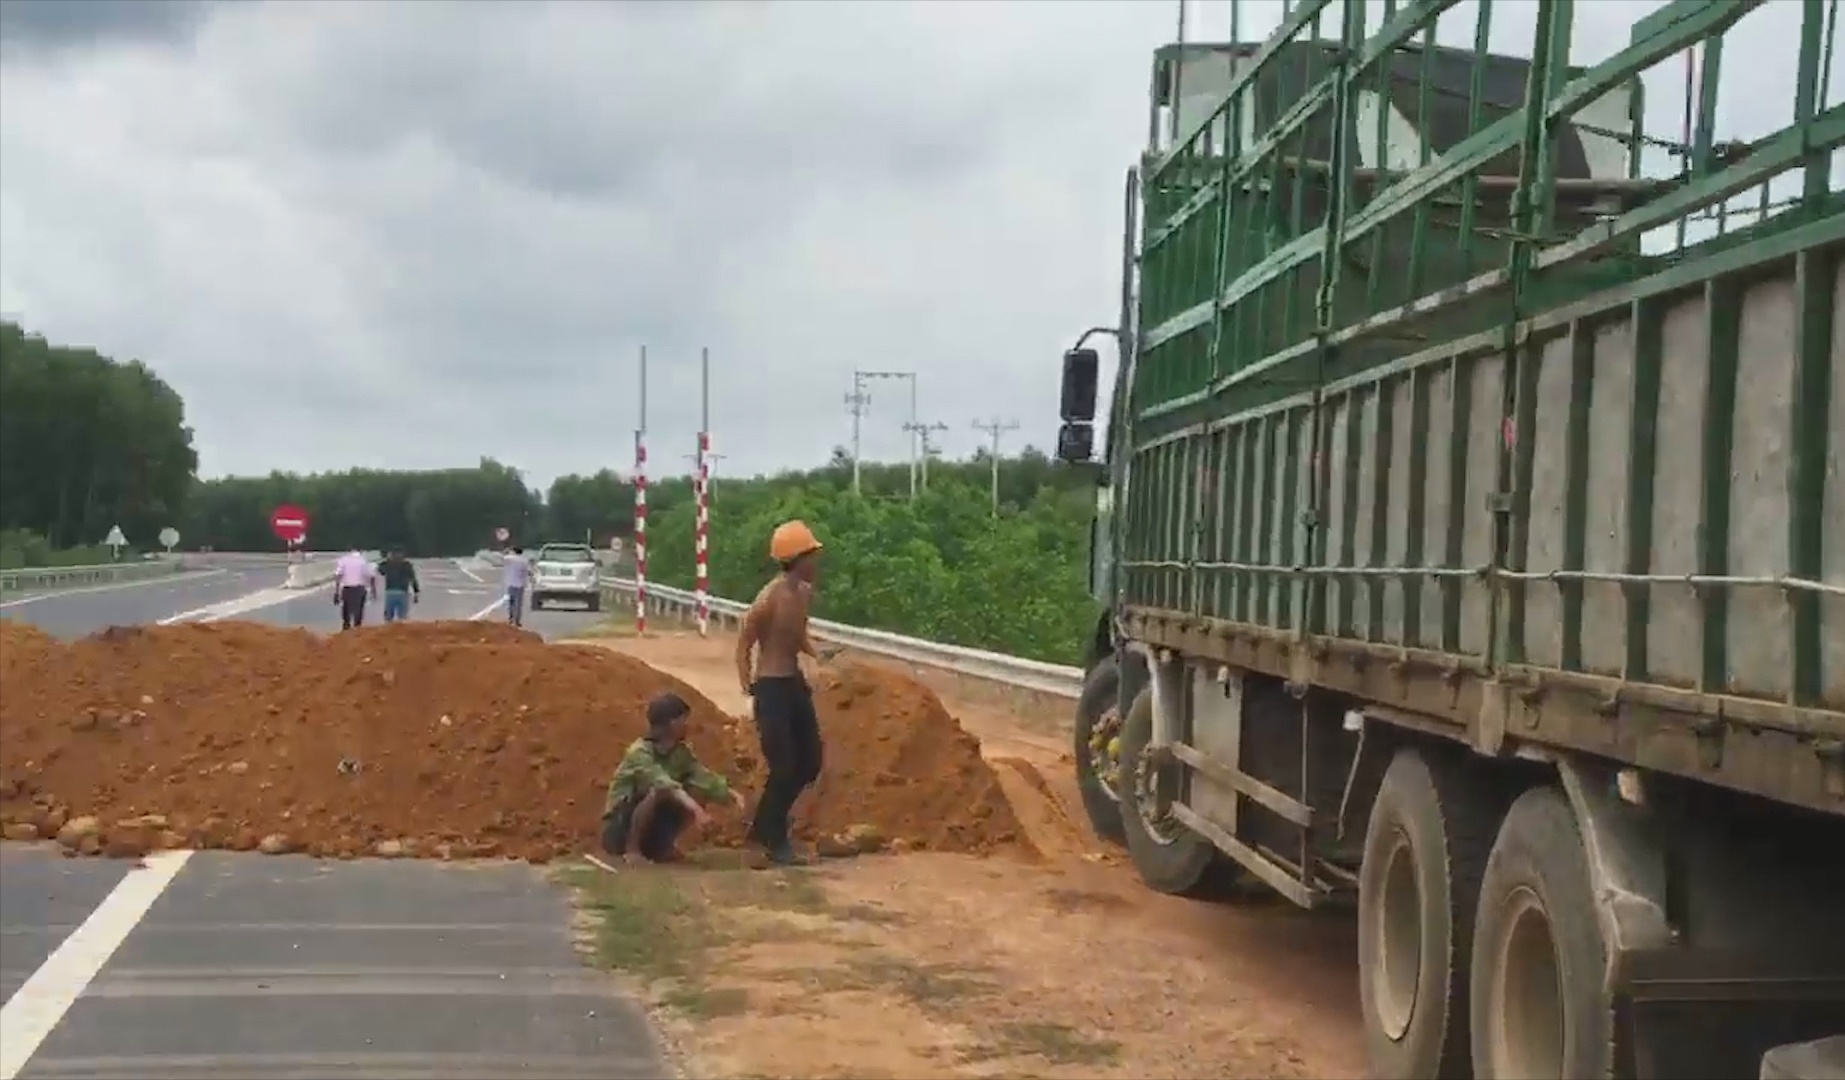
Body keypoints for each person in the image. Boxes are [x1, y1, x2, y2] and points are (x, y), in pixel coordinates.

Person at [734, 519, 833, 867]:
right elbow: (744, 642)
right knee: (784, 765)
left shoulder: (803, 594)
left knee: (810, 761)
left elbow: (795, 634)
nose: (816, 564)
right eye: (811, 556)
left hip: (793, 686)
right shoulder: (768, 598)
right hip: (772, 688)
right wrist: (749, 686)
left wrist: (817, 653)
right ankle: (774, 840)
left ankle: (765, 826)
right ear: (797, 559)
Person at [601, 691, 745, 865]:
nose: (687, 725)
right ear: (671, 723)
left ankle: (662, 848)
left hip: (652, 826)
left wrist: (732, 795)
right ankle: (632, 851)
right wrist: (698, 812)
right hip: (619, 829)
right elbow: (664, 784)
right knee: (658, 791)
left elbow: (703, 776)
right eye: (683, 720)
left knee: (697, 789)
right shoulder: (639, 752)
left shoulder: (681, 752)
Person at [332, 547, 377, 630]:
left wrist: (336, 592)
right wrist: (373, 591)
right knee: (358, 611)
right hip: (359, 589)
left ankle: (346, 629)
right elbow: (371, 576)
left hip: (347, 589)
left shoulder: (343, 560)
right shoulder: (363, 560)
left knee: (346, 611)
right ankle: (357, 629)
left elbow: (338, 575)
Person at [377, 547, 420, 623]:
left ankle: (388, 632)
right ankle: (401, 632)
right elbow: (413, 579)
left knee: (388, 617)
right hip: (403, 592)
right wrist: (416, 592)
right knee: (403, 617)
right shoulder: (407, 565)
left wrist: (387, 559)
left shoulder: (388, 564)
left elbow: (380, 570)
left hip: (390, 591)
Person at [502, 545, 532, 627]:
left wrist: (506, 549)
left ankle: (510, 619)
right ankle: (516, 621)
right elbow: (529, 572)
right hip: (520, 584)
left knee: (511, 602)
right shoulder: (524, 561)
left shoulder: (509, 558)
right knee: (518, 604)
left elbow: (502, 557)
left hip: (511, 583)